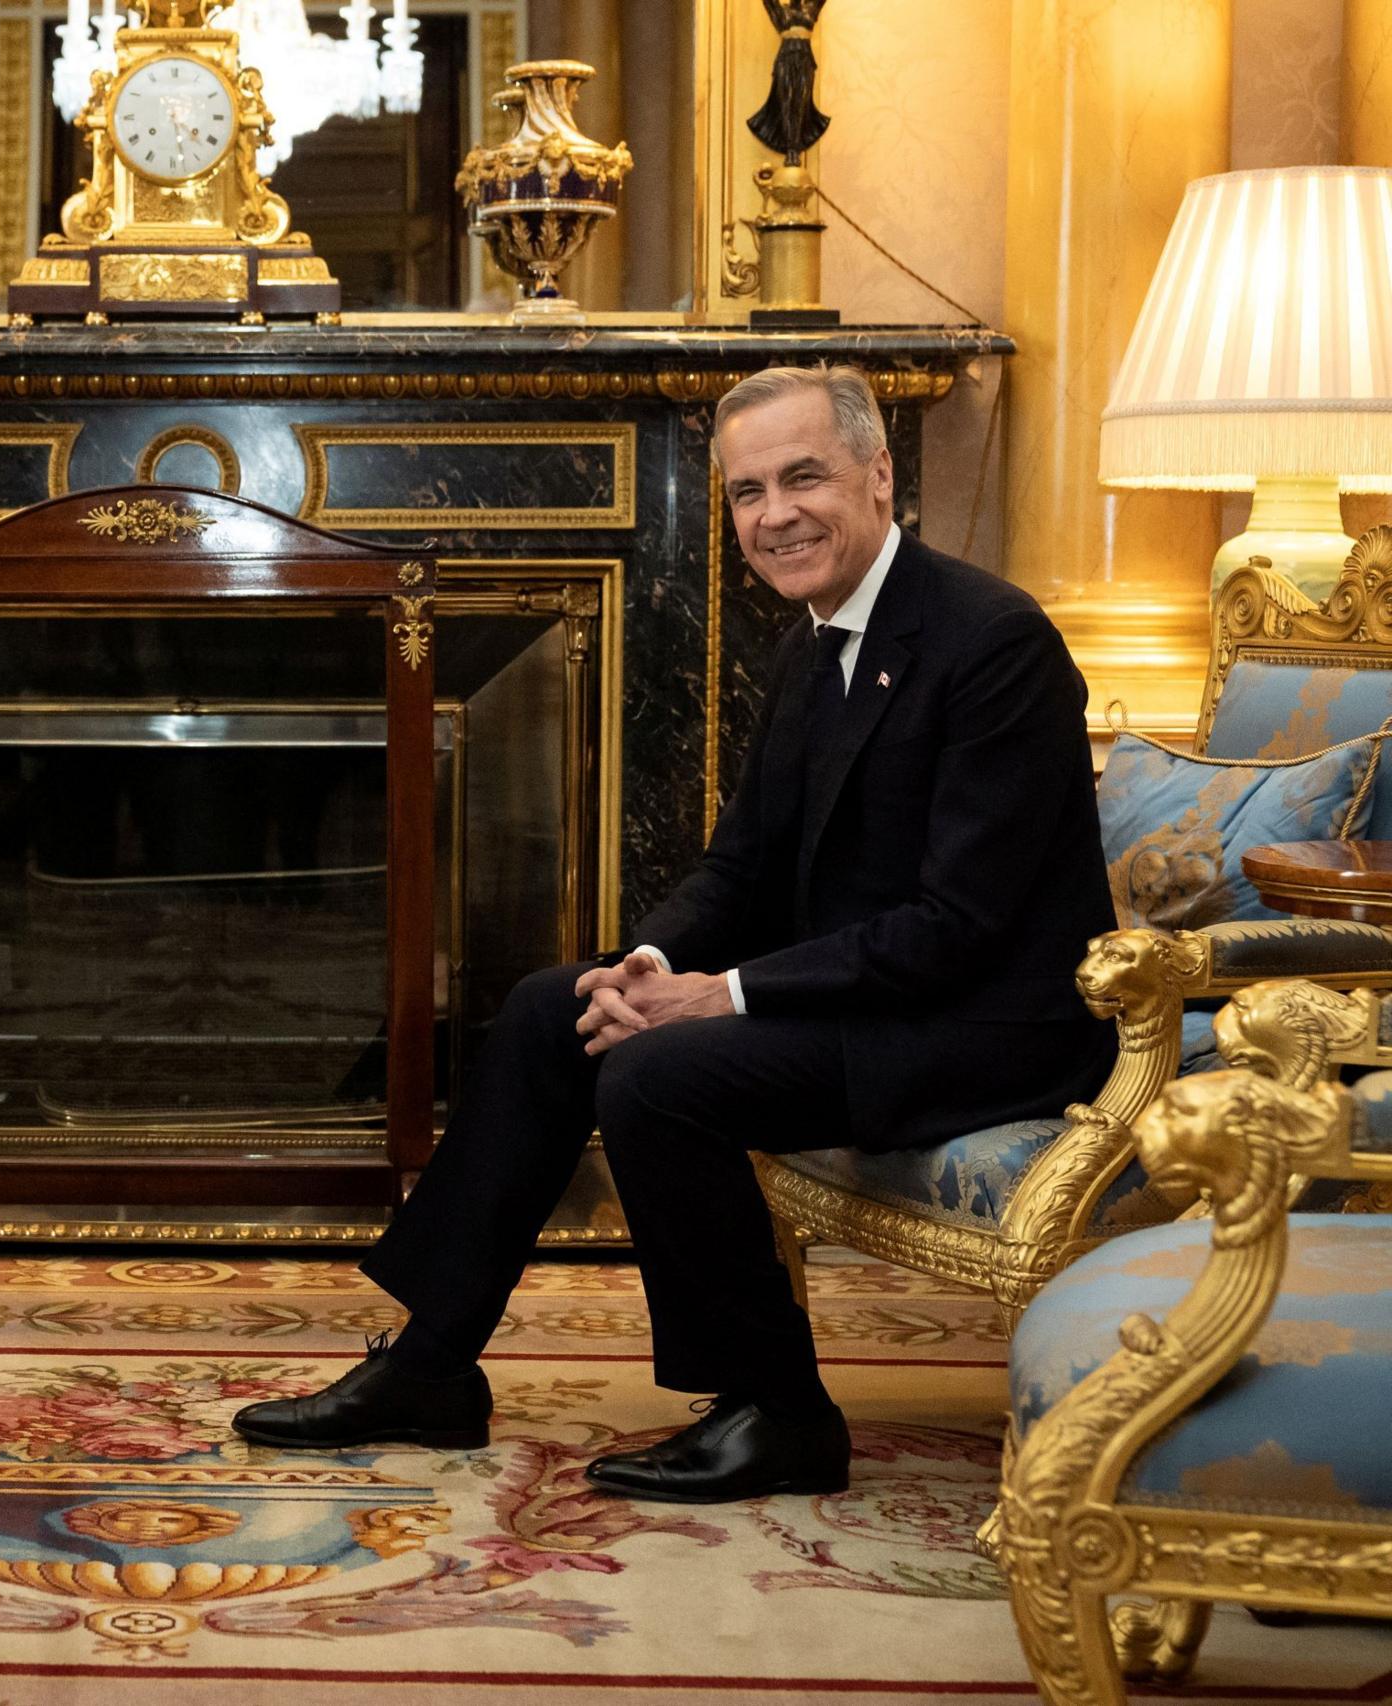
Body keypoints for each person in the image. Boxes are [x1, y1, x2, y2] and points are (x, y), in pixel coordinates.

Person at [233, 364, 1116, 1501]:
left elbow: (958, 926)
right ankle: (431, 1363)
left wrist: (724, 994)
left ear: (880, 474)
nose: (775, 513)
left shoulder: (993, 641)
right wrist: (644, 964)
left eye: (804, 476)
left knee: (660, 1073)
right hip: (873, 998)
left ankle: (778, 1408)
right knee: (559, 1007)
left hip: (984, 1021)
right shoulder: (810, 642)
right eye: (747, 491)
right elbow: (740, 863)